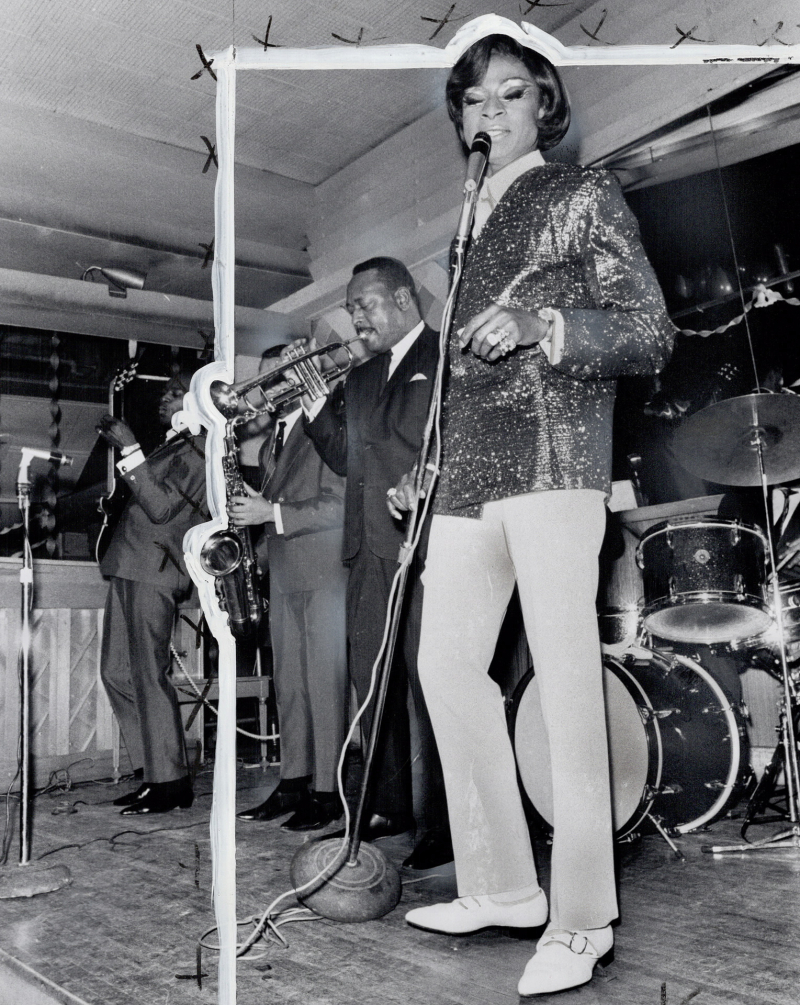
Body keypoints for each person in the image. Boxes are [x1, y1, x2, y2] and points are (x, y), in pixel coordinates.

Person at [392, 35, 674, 995]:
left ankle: (583, 914)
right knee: (443, 662)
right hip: (466, 474)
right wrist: (423, 469)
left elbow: (649, 330)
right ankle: (504, 882)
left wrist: (546, 326)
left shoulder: (580, 193)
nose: (489, 112)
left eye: (510, 94)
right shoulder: (465, 230)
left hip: (555, 459)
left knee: (563, 688)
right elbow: (456, 377)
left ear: (542, 105)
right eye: (472, 100)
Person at [301, 257, 452, 871]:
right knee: (374, 685)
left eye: (363, 305)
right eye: (352, 307)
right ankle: (388, 804)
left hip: (422, 548)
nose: (355, 318)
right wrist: (315, 410)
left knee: (432, 688)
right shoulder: (361, 379)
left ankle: (442, 824)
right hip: (366, 552)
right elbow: (346, 460)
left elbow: (447, 447)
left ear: (403, 298)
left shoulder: (444, 358)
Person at [230, 346, 349, 831]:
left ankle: (328, 791)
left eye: (274, 379)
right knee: (292, 685)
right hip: (286, 572)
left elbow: (340, 507)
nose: (263, 390)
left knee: (324, 683)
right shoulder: (275, 438)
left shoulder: (328, 426)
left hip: (323, 571)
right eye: (263, 380)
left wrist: (270, 513)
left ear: (304, 376)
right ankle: (294, 780)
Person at [97, 371, 206, 815]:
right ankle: (154, 773)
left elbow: (161, 507)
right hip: (130, 564)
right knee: (118, 673)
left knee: (146, 674)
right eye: (165, 391)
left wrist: (130, 448)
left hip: (154, 571)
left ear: (197, 402)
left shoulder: (200, 450)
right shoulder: (175, 445)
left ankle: (170, 783)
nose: (165, 397)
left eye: (175, 392)